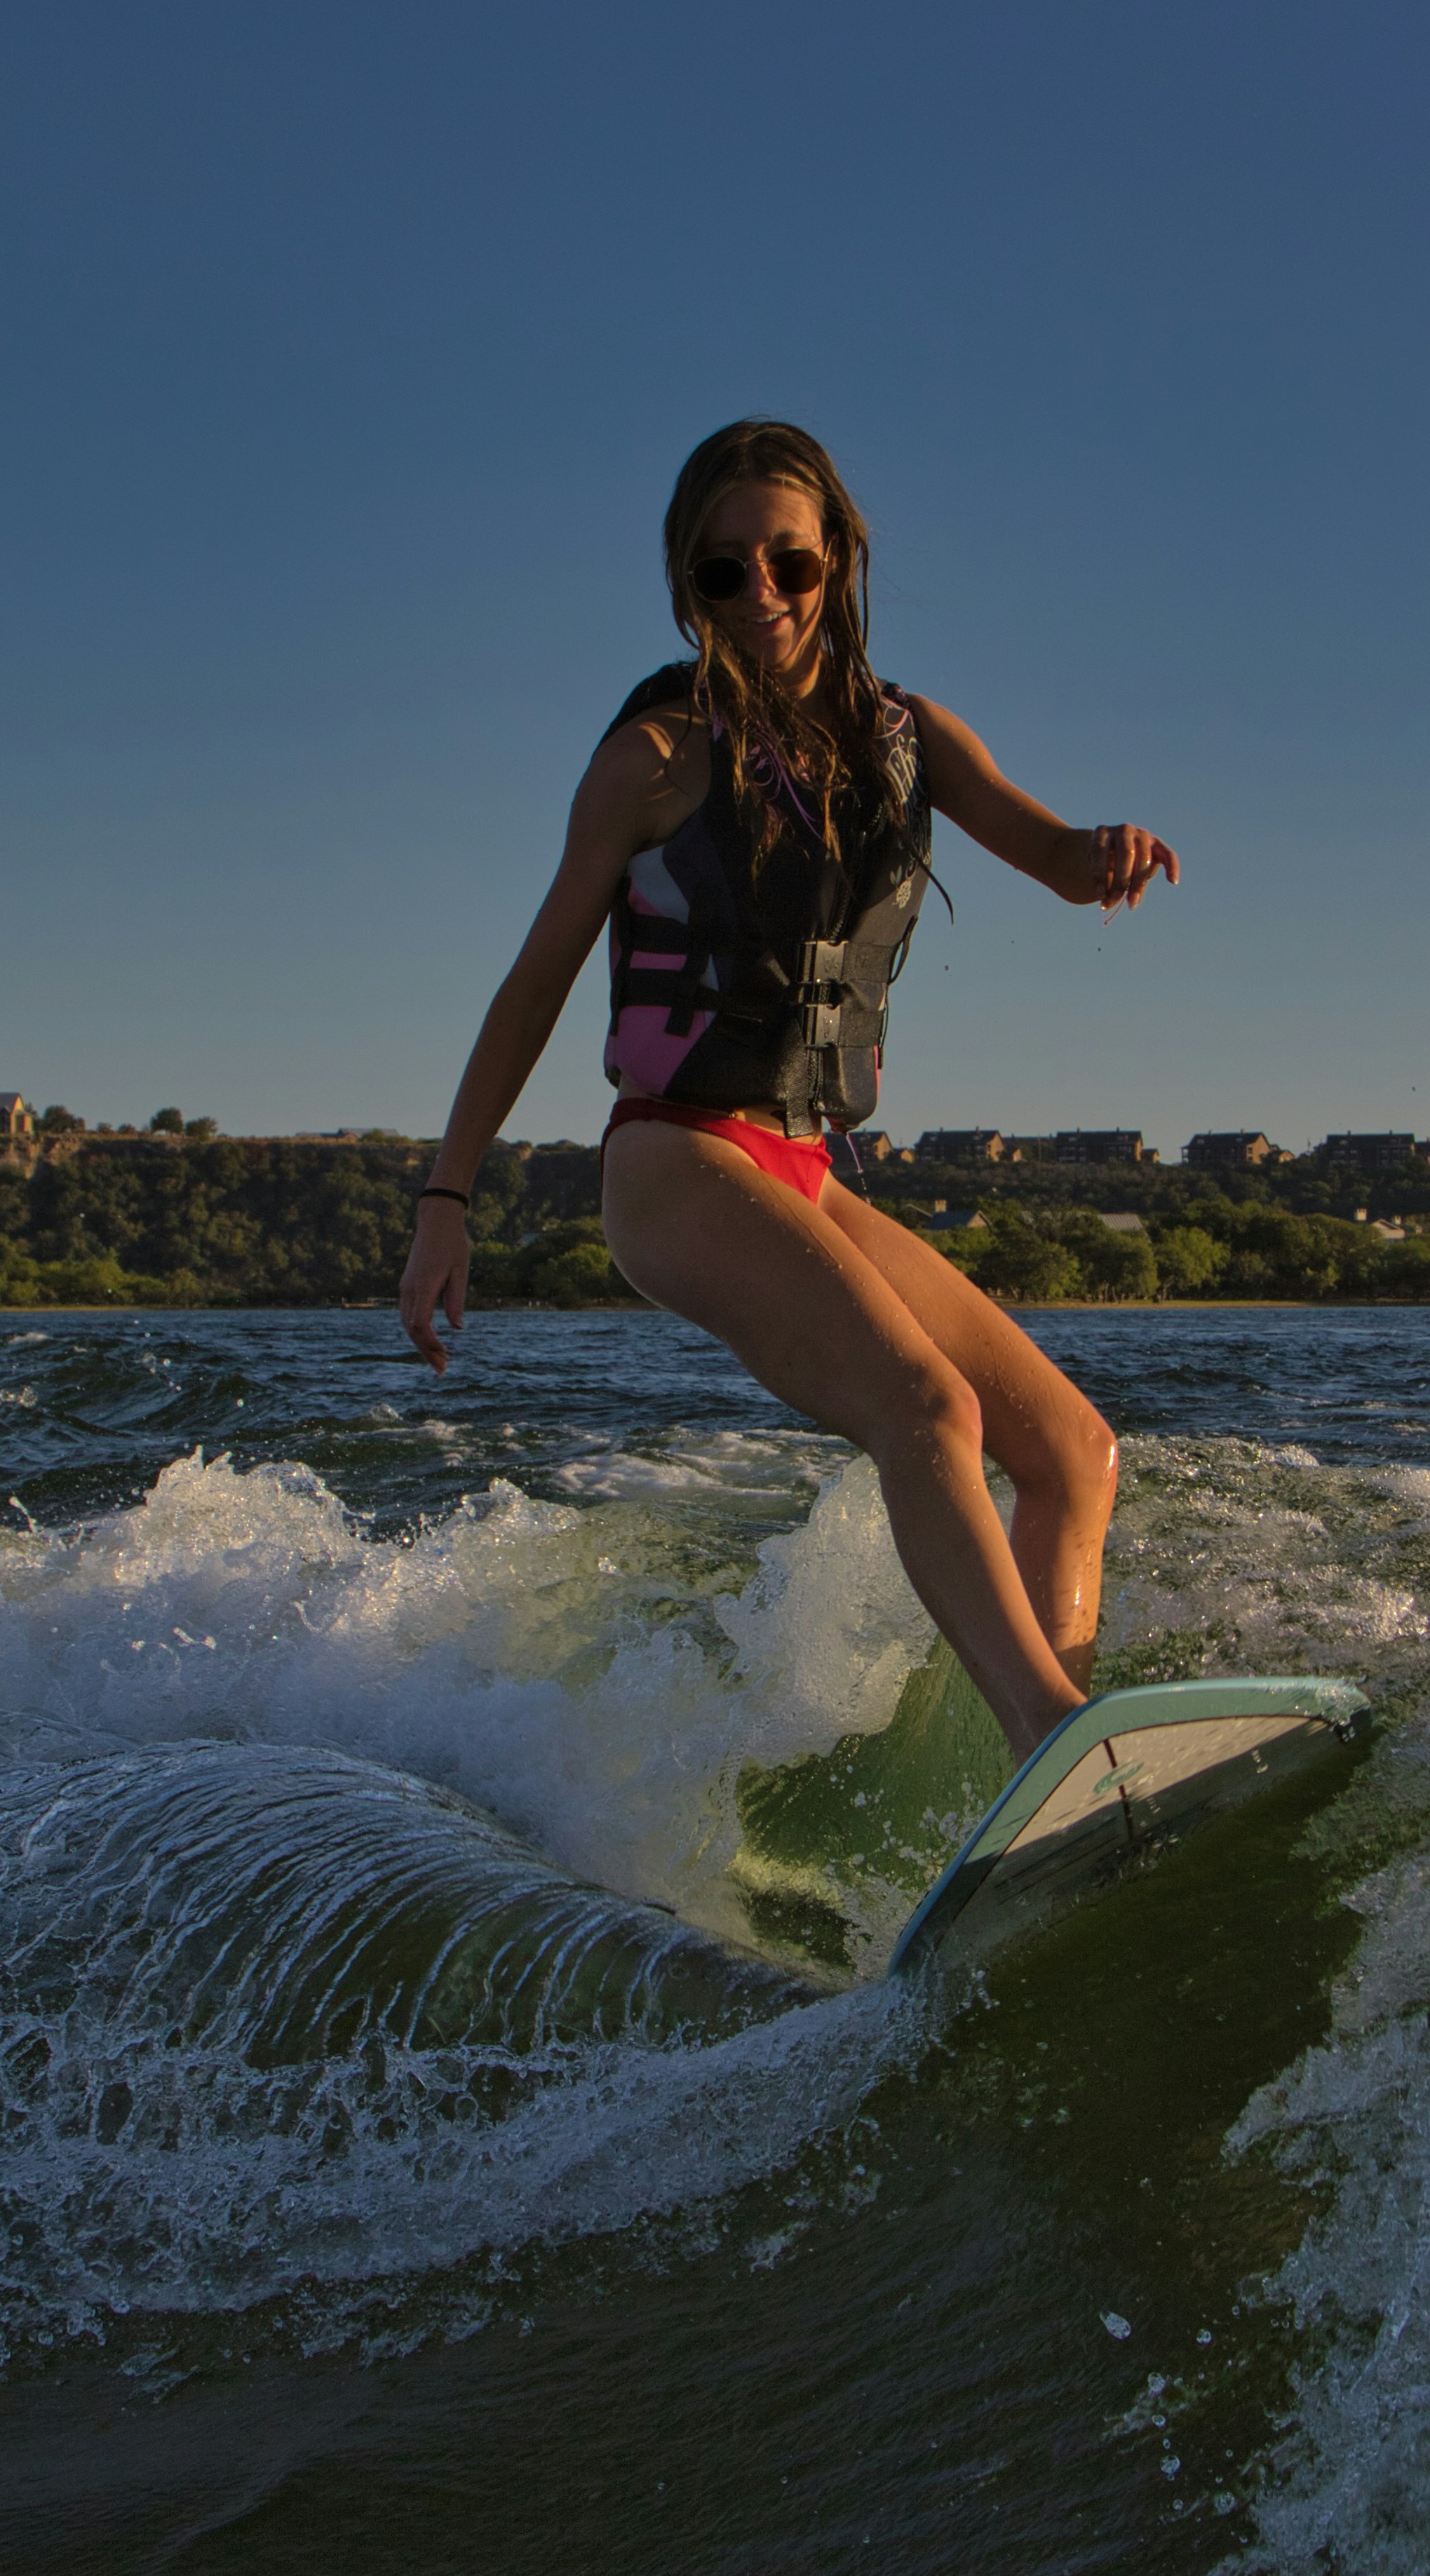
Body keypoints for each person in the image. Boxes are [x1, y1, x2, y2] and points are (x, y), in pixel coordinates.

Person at [397, 419, 1179, 1771]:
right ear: (685, 586)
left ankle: (1048, 1759)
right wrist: (446, 1197)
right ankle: (1061, 1743)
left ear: (841, 562)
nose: (758, 596)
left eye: (789, 565)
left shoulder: (911, 737)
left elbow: (1053, 857)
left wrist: (1106, 851)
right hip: (673, 1162)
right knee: (927, 1410)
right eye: (721, 574)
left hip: (800, 1164)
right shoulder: (653, 758)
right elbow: (532, 984)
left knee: (1072, 1452)